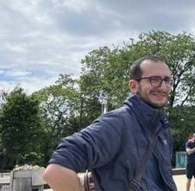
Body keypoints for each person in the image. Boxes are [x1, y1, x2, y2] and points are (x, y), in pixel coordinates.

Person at [44, 56, 176, 191]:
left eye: (167, 80)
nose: (164, 87)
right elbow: (55, 171)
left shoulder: (162, 129)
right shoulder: (117, 123)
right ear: (134, 86)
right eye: (154, 80)